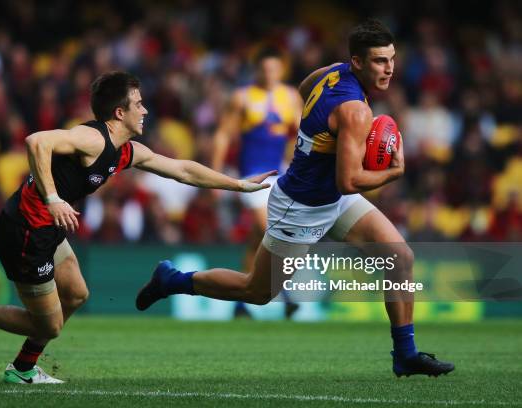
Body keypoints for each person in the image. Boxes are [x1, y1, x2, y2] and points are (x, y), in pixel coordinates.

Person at [136, 20, 455, 377]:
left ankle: (405, 355)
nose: (390, 68)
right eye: (380, 61)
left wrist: (322, 134)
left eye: (392, 59)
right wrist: (393, 172)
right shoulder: (356, 110)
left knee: (399, 257)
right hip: (300, 207)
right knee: (257, 291)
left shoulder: (333, 72)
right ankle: (172, 280)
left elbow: (304, 89)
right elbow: (350, 180)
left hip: (330, 197)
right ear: (358, 62)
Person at [0, 71, 274, 384]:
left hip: (49, 227)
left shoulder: (127, 151)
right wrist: (52, 197)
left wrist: (240, 184)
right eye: (138, 104)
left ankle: (21, 370)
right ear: (119, 113)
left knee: (77, 295)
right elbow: (37, 142)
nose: (145, 110)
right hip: (27, 230)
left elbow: (183, 170)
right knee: (49, 326)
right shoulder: (92, 139)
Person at [211, 46, 303, 318]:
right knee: (268, 230)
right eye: (265, 69)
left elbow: (298, 135)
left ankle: (240, 305)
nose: (270, 74)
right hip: (251, 176)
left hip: (280, 175)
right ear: (257, 71)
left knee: (256, 241)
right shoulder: (242, 98)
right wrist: (217, 177)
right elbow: (223, 135)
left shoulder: (290, 97)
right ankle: (286, 295)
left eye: (274, 69)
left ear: (281, 70)